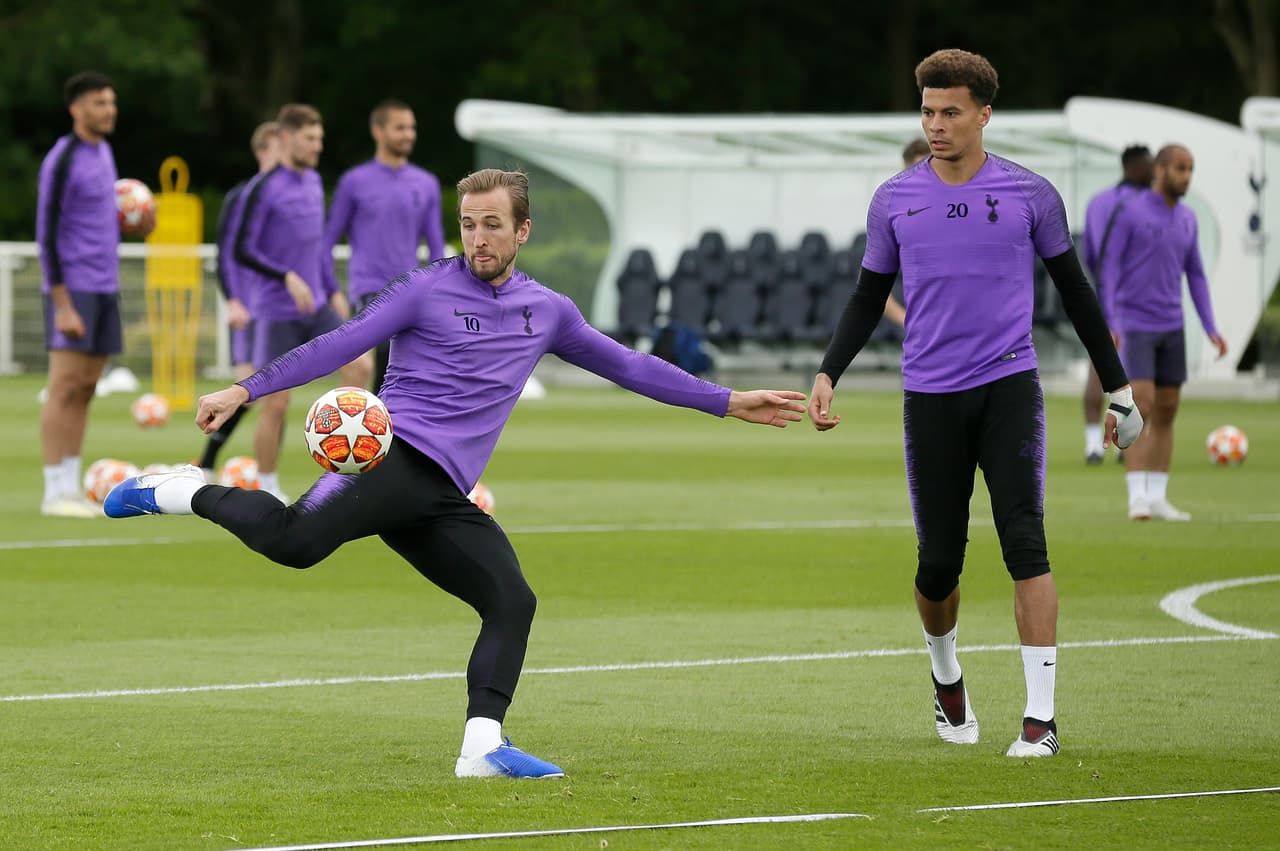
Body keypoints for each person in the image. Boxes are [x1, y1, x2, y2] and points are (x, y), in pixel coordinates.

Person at [103, 168, 806, 779]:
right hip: (391, 457)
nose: (478, 239)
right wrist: (244, 390)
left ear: (523, 231)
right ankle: (182, 489)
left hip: (440, 491)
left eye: (493, 225)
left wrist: (727, 400)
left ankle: (481, 746)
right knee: (294, 542)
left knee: (512, 599)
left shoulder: (548, 312)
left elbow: (629, 364)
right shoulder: (425, 288)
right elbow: (339, 342)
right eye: (469, 225)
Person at [808, 49, 1143, 758]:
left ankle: (1040, 718)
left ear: (984, 114)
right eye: (927, 111)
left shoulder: (1030, 195)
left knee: (1026, 541)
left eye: (950, 111)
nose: (936, 124)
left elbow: (1077, 294)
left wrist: (1119, 388)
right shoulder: (894, 198)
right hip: (929, 395)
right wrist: (829, 370)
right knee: (938, 566)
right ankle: (946, 675)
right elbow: (869, 296)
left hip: (1008, 388)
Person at [36, 70, 155, 517]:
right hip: (75, 288)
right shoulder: (62, 158)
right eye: (99, 103)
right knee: (63, 387)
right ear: (77, 108)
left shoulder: (104, 152)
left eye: (112, 103)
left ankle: (71, 484)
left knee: (87, 388)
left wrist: (136, 223)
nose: (109, 111)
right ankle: (54, 492)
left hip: (106, 286)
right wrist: (62, 302)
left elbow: (99, 217)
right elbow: (46, 233)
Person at [232, 103, 361, 502]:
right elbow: (242, 249)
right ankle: (268, 486)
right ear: (286, 138)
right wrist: (285, 276)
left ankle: (351, 469)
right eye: (310, 138)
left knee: (361, 365)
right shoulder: (263, 188)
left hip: (317, 305)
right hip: (276, 311)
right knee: (275, 402)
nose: (317, 146)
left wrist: (332, 289)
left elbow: (317, 247)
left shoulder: (314, 182)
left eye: (320, 138)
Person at [1100, 144, 1228, 521]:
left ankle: (1157, 496)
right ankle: (1135, 495)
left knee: (1168, 409)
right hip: (1135, 324)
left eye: (1190, 169)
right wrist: (1112, 321)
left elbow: (1198, 276)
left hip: (1173, 325)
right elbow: (1108, 270)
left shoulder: (1188, 219)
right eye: (1179, 168)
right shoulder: (1131, 212)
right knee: (1141, 403)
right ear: (1160, 169)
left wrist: (1210, 328)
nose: (1186, 176)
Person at [325, 99, 446, 394]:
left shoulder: (426, 184)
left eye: (412, 128)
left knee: (396, 385)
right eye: (400, 128)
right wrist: (332, 291)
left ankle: (385, 438)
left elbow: (436, 248)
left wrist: (434, 292)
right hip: (367, 293)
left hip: (407, 295)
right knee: (361, 373)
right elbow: (326, 242)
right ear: (378, 131)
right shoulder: (354, 182)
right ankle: (337, 434)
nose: (409, 134)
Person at [196, 121, 282, 480]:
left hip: (276, 310)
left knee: (270, 393)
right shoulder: (243, 196)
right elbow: (226, 253)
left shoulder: (287, 198)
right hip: (249, 308)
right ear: (263, 151)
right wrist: (232, 299)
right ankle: (206, 463)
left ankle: (213, 465)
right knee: (254, 389)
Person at [1079, 145, 1154, 464]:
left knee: (1098, 368)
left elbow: (1092, 255)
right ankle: (1128, 442)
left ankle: (1093, 445)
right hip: (1135, 300)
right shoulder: (1145, 205)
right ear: (1137, 168)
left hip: (1099, 293)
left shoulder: (1097, 202)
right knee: (1137, 375)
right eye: (1151, 167)